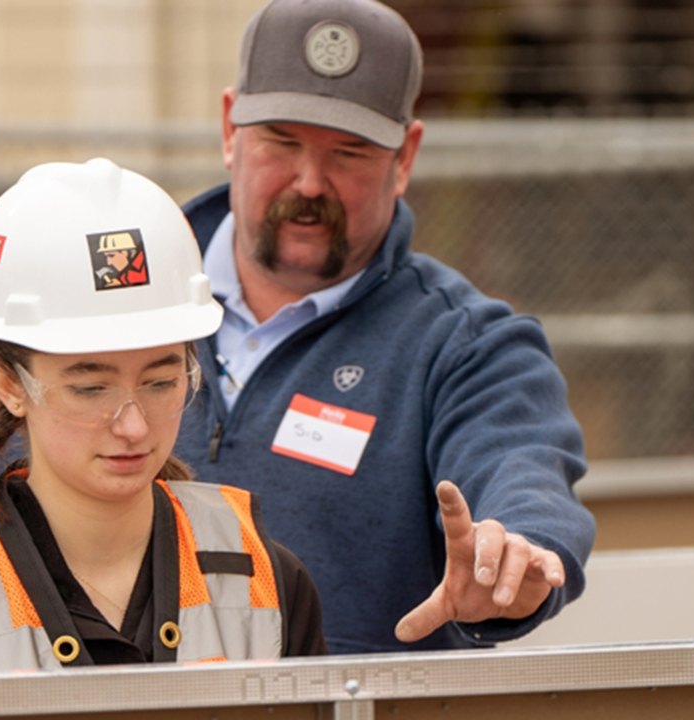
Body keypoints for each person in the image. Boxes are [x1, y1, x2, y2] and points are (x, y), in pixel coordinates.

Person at [175, 0, 596, 654]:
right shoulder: (121, 306)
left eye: (349, 153)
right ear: (230, 128)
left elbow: (521, 467)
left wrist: (511, 553)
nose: (309, 182)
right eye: (282, 142)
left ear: (406, 158)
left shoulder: (466, 347)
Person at [0, 158, 327, 671]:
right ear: (9, 385)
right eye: (90, 389)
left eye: (160, 383)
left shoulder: (267, 580)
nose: (134, 426)